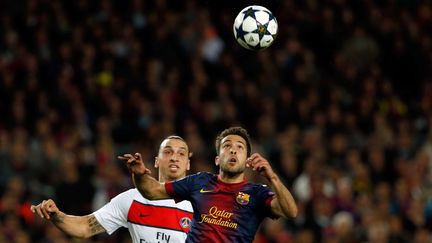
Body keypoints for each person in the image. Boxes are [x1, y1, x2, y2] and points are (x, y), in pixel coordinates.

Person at [124, 126, 298, 242]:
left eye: (240, 147)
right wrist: (138, 175)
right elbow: (152, 191)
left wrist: (273, 178)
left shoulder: (257, 193)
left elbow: (291, 211)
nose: (233, 150)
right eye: (227, 145)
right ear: (217, 159)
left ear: (247, 161)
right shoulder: (200, 181)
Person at [30, 135, 194, 243]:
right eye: (168, 152)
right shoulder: (132, 200)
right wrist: (57, 216)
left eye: (181, 154)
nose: (174, 157)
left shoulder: (203, 203)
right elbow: (85, 227)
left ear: (188, 163)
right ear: (157, 161)